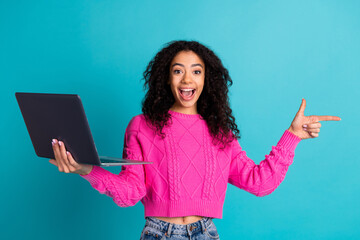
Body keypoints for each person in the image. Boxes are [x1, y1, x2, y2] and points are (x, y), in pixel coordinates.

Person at [49, 40, 341, 239]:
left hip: (205, 233)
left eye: (196, 71)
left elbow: (260, 183)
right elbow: (130, 194)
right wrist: (85, 169)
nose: (187, 80)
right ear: (166, 78)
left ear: (206, 80)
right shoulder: (142, 126)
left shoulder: (220, 133)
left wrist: (292, 137)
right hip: (157, 233)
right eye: (178, 71)